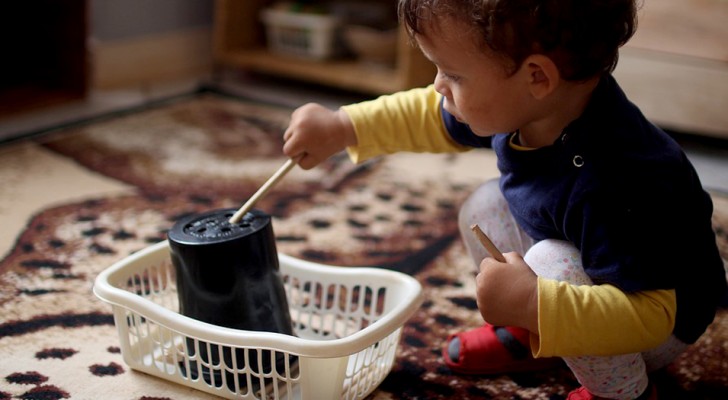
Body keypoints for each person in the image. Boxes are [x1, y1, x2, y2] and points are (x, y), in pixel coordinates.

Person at [281, 0, 727, 399]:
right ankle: (532, 337)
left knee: (554, 263)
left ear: (536, 75)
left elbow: (647, 316)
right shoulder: (534, 106)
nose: (439, 86)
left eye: (452, 74)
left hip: (653, 326)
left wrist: (535, 301)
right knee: (485, 203)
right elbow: (428, 115)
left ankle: (622, 392)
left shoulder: (619, 181)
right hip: (596, 287)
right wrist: (342, 127)